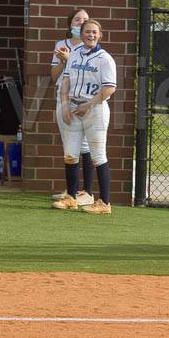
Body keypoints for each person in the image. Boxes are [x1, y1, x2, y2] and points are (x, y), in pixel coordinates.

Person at [53, 19, 117, 214]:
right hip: (73, 106)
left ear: (100, 35)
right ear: (81, 34)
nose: (91, 35)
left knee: (98, 156)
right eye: (87, 32)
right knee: (70, 155)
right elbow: (65, 81)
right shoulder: (74, 55)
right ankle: (71, 198)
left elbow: (109, 89)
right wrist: (64, 106)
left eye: (94, 32)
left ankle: (104, 203)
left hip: (95, 109)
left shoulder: (104, 58)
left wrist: (87, 105)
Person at [50, 8, 95, 208]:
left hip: (83, 100)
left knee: (85, 146)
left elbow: (89, 77)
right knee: (69, 144)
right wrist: (62, 61)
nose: (80, 23)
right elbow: (54, 76)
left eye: (84, 21)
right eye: (77, 20)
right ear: (71, 24)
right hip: (63, 97)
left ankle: (87, 192)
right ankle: (72, 190)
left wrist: (71, 61)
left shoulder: (92, 48)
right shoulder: (62, 45)